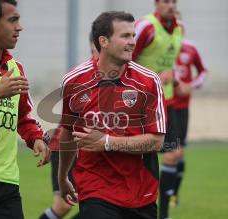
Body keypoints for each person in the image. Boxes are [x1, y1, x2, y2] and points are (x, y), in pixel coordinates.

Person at [58, 11, 166, 219]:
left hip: (140, 191)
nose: (133, 42)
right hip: (95, 187)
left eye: (133, 36)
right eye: (125, 36)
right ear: (103, 41)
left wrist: (107, 142)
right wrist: (62, 176)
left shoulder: (149, 81)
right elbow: (68, 133)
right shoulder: (74, 81)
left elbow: (157, 142)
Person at [0, 1, 50, 218]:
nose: (20, 27)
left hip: (6, 183)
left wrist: (36, 139)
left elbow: (23, 116)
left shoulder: (16, 68)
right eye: (12, 20)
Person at [39, 35, 99, 219]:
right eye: (92, 51)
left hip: (90, 150)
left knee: (102, 202)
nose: (95, 56)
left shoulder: (118, 74)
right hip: (66, 147)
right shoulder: (83, 77)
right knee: (64, 205)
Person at [132, 1, 183, 218]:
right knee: (143, 159)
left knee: (173, 154)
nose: (170, 5)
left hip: (167, 103)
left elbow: (169, 63)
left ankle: (163, 214)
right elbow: (126, 61)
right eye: (166, 1)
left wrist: (175, 79)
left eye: (174, 1)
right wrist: (153, 79)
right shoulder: (146, 27)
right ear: (156, 3)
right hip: (143, 104)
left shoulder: (179, 28)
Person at [169, 11, 208, 207]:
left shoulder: (191, 49)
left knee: (178, 151)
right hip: (164, 106)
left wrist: (190, 85)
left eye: (179, 23)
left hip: (181, 108)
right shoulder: (159, 49)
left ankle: (173, 194)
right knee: (166, 150)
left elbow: (203, 72)